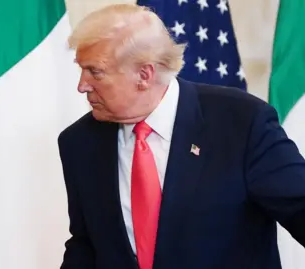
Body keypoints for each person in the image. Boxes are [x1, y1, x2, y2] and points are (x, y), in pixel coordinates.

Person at [58, 4, 305, 269]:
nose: (82, 85)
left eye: (95, 72)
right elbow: (86, 245)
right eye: (82, 69)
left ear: (144, 75)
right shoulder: (79, 142)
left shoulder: (242, 122)